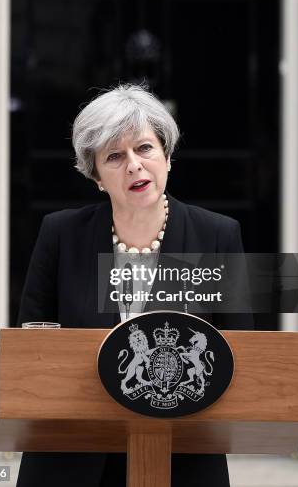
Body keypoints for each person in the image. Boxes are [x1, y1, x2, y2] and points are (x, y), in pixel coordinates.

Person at [16, 83, 254, 487]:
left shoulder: (216, 236)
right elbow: (33, 347)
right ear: (96, 177)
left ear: (167, 157)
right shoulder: (61, 234)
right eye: (114, 156)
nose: (133, 165)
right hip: (71, 459)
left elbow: (241, 351)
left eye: (144, 148)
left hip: (182, 457)